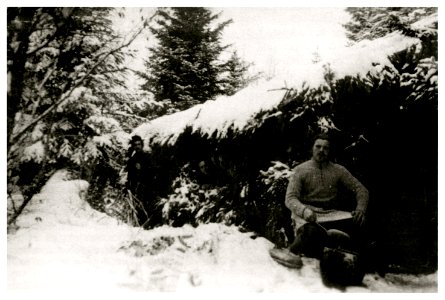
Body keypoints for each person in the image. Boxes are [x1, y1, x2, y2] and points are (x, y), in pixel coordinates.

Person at [285, 133, 369, 258]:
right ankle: (292, 253)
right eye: (318, 147)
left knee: (360, 224)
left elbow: (361, 190)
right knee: (310, 231)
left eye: (326, 148)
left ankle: (362, 262)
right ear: (312, 148)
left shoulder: (338, 170)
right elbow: (290, 198)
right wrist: (304, 211)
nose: (321, 151)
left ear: (330, 151)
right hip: (307, 215)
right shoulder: (300, 170)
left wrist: (360, 209)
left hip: (331, 214)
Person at [126, 135, 151, 202]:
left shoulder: (148, 157)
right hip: (135, 190)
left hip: (147, 189)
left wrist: (142, 169)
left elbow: (152, 172)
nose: (137, 146)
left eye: (139, 144)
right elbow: (129, 175)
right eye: (135, 145)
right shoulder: (132, 160)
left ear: (142, 145)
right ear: (133, 146)